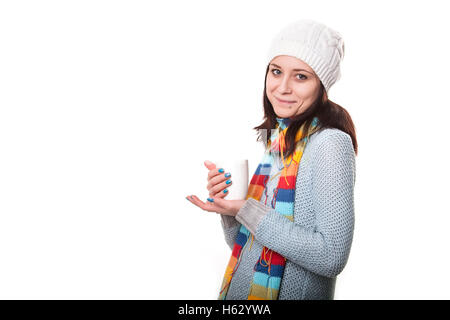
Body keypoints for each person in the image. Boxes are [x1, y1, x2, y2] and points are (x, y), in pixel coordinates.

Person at [186, 19, 357, 300]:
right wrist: (230, 210)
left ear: (321, 84)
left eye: (301, 76)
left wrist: (248, 210)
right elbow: (246, 247)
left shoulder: (330, 143)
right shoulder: (277, 138)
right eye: (276, 72)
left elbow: (331, 257)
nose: (282, 87)